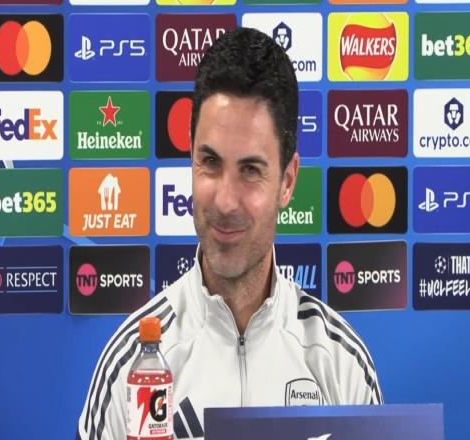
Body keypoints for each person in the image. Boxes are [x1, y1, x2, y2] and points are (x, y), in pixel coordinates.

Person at [77, 27, 383, 440]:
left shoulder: (341, 364)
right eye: (210, 162)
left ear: (288, 181)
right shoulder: (133, 364)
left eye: (250, 170)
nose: (224, 201)